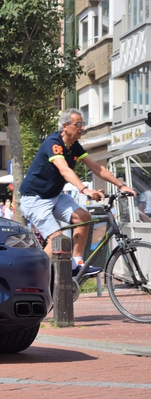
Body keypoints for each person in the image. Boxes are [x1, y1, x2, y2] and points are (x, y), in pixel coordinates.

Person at [19, 108, 137, 277]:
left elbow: (96, 167)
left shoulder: (74, 146)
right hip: (35, 199)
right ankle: (36, 277)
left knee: (84, 217)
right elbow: (64, 170)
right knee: (56, 240)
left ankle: (76, 263)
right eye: (78, 124)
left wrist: (121, 185)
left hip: (54, 196)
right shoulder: (54, 143)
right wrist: (85, 189)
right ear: (65, 126)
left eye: (83, 124)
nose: (82, 128)